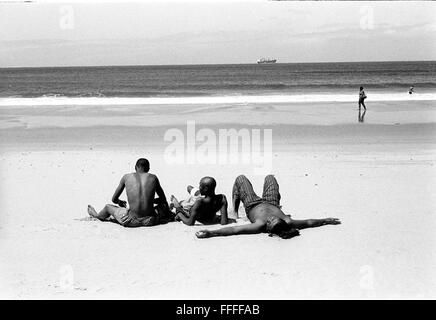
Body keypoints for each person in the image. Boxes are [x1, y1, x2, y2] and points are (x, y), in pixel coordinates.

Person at [196, 175, 340, 239]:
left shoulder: (259, 225)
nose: (271, 218)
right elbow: (309, 222)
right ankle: (237, 206)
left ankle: (235, 209)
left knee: (241, 179)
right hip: (272, 202)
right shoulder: (288, 222)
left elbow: (234, 230)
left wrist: (211, 233)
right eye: (275, 219)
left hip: (252, 203)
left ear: (269, 228)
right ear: (283, 222)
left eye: (271, 222)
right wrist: (326, 220)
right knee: (270, 177)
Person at [87, 158, 173, 227]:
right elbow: (163, 199)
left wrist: (119, 202)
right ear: (148, 169)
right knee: (164, 205)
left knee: (107, 207)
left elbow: (114, 199)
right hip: (150, 220)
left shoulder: (126, 177)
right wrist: (149, 200)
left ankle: (96, 215)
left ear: (136, 167)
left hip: (131, 221)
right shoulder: (153, 177)